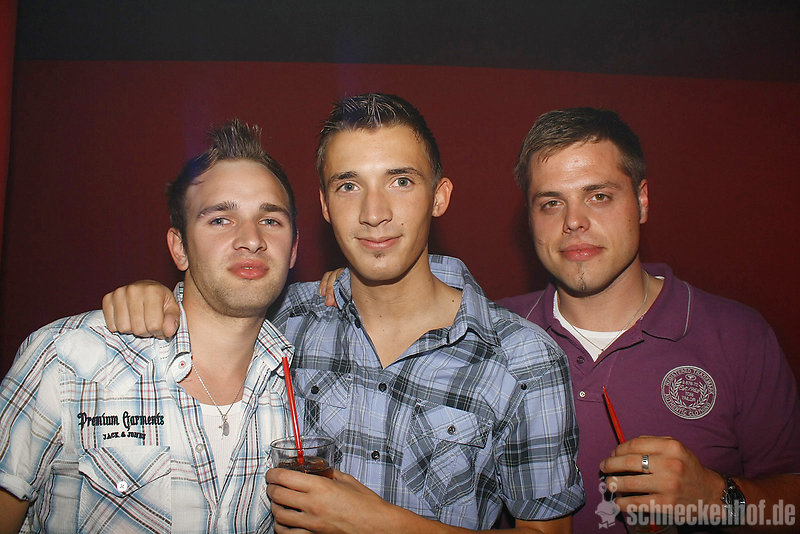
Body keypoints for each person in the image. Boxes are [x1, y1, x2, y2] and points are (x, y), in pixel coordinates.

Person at [101, 93, 584, 533]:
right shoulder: (286, 320)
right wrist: (158, 296)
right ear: (326, 205)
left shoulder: (524, 359)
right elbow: (214, 300)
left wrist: (377, 524)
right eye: (349, 185)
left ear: (439, 196)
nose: (374, 212)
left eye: (400, 181)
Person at [500, 107, 800, 532]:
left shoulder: (738, 336)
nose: (573, 222)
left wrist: (716, 497)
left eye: (599, 196)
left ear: (641, 201)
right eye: (551, 203)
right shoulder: (490, 334)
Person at [0, 119, 299, 533]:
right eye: (220, 219)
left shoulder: (297, 388)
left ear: (293, 250)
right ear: (179, 247)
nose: (251, 239)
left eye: (270, 221)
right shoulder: (69, 358)